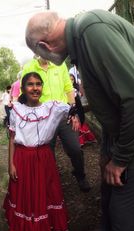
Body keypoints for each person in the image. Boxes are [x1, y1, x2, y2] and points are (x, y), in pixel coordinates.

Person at [25, 9, 134, 231]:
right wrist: (108, 147)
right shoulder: (82, 41)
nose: (49, 62)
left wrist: (119, 159)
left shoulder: (92, 31)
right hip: (117, 133)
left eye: (43, 56)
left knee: (124, 216)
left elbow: (133, 99)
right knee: (108, 198)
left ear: (44, 45)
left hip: (131, 137)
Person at [3, 72, 71, 231]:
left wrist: (77, 113)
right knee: (25, 192)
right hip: (23, 157)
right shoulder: (16, 110)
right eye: (30, 85)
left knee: (45, 189)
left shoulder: (52, 108)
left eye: (38, 84)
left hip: (43, 157)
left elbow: (74, 107)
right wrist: (10, 164)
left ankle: (46, 224)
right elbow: (11, 139)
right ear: (23, 88)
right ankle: (27, 226)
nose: (35, 88)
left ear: (42, 87)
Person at [21, 56, 91, 193]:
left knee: (75, 148)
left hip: (64, 115)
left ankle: (80, 174)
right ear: (35, 50)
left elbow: (68, 88)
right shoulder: (29, 67)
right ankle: (51, 180)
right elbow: (24, 91)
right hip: (42, 118)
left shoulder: (60, 65)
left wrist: (73, 111)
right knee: (47, 152)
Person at [70, 73, 96, 147]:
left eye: (72, 79)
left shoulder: (76, 88)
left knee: (80, 124)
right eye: (69, 79)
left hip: (77, 108)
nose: (71, 81)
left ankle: (84, 140)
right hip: (69, 109)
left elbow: (79, 99)